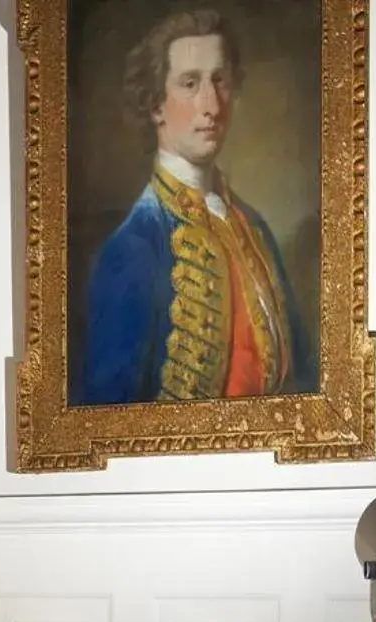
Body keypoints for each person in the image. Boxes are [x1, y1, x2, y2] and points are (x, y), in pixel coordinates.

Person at [77, 10, 311, 406]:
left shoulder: (253, 228)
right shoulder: (133, 250)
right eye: (190, 83)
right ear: (155, 105)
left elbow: (306, 378)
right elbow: (107, 419)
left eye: (219, 80)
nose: (211, 105)